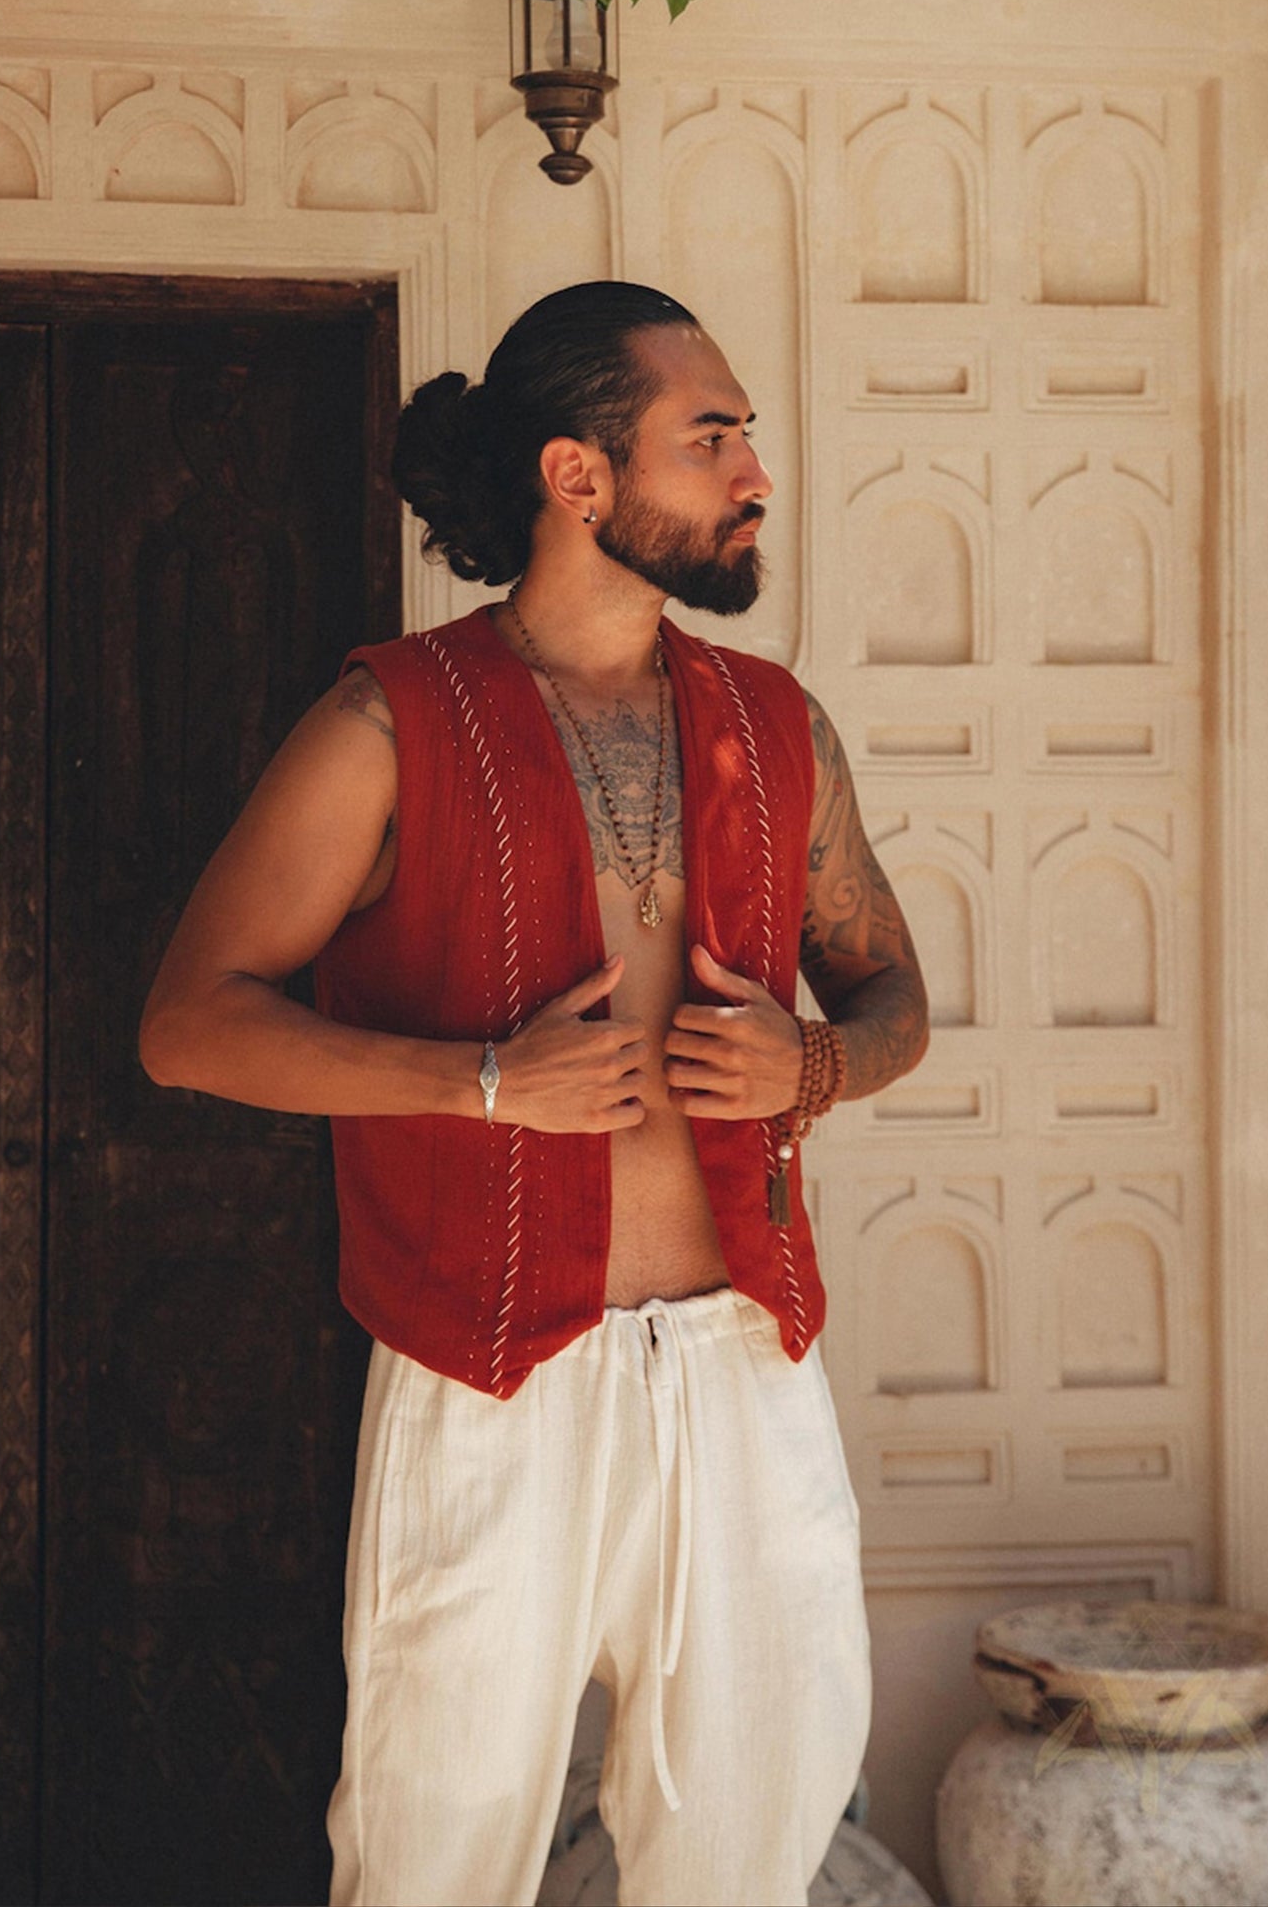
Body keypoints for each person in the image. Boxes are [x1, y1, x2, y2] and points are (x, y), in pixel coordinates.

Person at [140, 280, 929, 1907]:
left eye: (745, 443)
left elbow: (890, 997)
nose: (752, 476)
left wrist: (817, 1064)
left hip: (745, 1361)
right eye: (710, 438)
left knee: (756, 1838)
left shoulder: (777, 728)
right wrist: (486, 1082)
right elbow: (189, 1026)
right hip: (491, 1373)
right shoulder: (391, 719)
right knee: (438, 1849)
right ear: (581, 478)